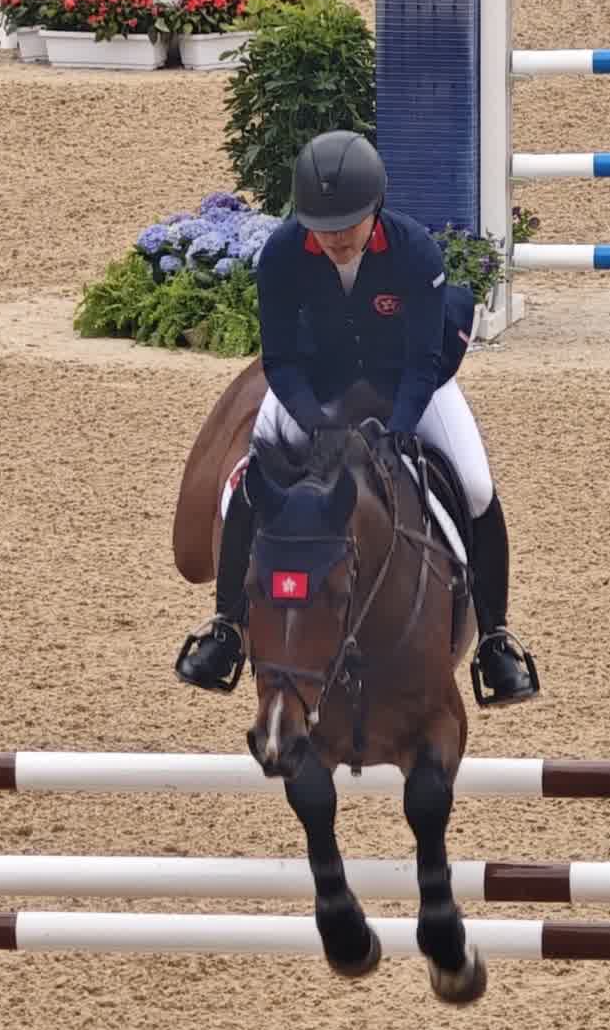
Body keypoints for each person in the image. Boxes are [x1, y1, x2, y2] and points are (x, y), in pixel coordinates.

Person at [175, 131, 540, 708]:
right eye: (323, 226)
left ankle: (495, 638)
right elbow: (280, 361)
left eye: (348, 224)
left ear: (376, 209)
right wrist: (314, 421)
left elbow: (423, 362)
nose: (336, 238)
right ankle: (227, 626)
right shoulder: (283, 256)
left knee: (474, 486)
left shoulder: (415, 252)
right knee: (250, 482)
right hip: (314, 384)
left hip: (409, 385)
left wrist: (399, 428)